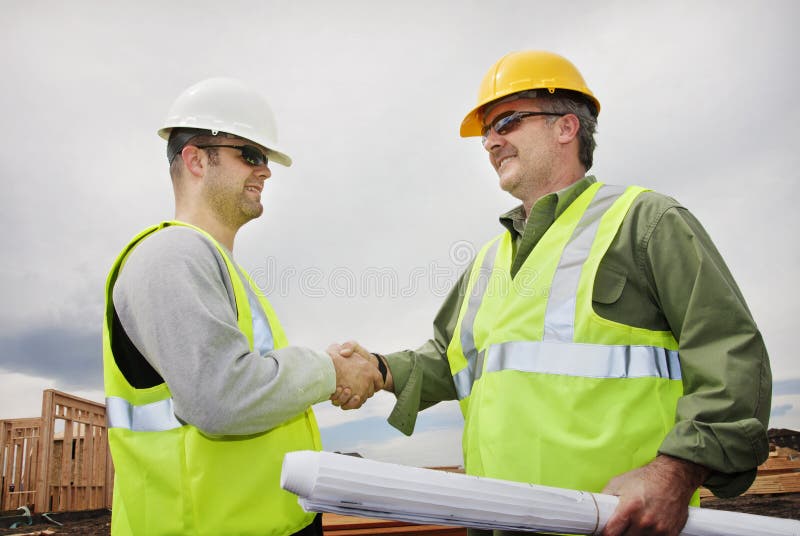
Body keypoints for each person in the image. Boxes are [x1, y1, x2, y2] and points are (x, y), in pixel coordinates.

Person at [335, 51, 772, 536]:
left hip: (611, 522)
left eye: (507, 122)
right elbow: (449, 357)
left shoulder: (645, 223)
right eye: (486, 133)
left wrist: (674, 471)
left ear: (566, 128)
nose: (490, 142)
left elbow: (729, 353)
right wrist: (377, 368)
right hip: (498, 521)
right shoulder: (488, 260)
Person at [102, 77, 382, 536]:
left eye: (265, 158)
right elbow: (221, 399)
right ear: (195, 159)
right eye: (249, 155)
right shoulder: (171, 255)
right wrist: (330, 370)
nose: (265, 171)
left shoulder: (218, 268)